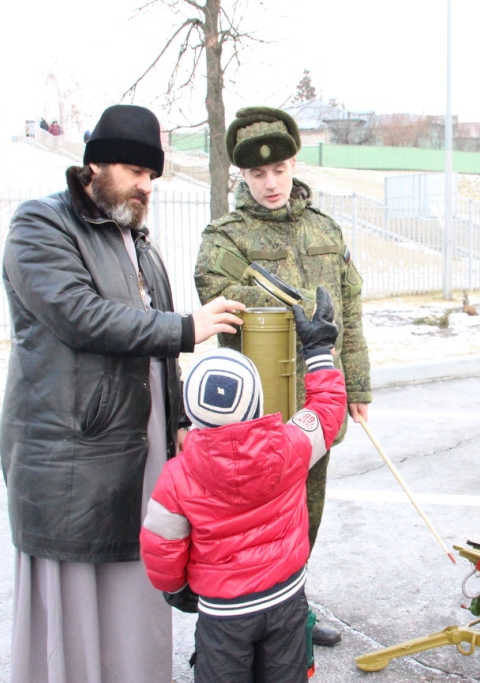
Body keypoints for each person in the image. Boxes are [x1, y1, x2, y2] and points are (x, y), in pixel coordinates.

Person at [0, 103, 246, 683]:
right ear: (96, 165)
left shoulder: (140, 243)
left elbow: (157, 349)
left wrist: (180, 420)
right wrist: (187, 327)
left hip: (141, 458)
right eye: (137, 172)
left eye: (153, 177)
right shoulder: (41, 225)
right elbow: (81, 316)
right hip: (73, 462)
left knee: (138, 601)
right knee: (76, 605)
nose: (146, 186)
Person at [194, 105, 371, 647]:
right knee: (253, 525)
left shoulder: (325, 229)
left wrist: (358, 385)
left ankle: (292, 606)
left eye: (278, 170)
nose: (270, 183)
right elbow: (213, 293)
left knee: (307, 516)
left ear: (294, 164)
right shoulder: (227, 236)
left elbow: (351, 309)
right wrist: (277, 306)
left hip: (318, 403)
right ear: (242, 177)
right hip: (259, 411)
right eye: (256, 174)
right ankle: (241, 620)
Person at [141, 287, 346, 683]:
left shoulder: (177, 478)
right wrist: (318, 350)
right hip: (287, 598)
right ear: (256, 402)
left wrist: (176, 587)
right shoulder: (291, 445)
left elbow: (161, 549)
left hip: (223, 614)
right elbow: (327, 411)